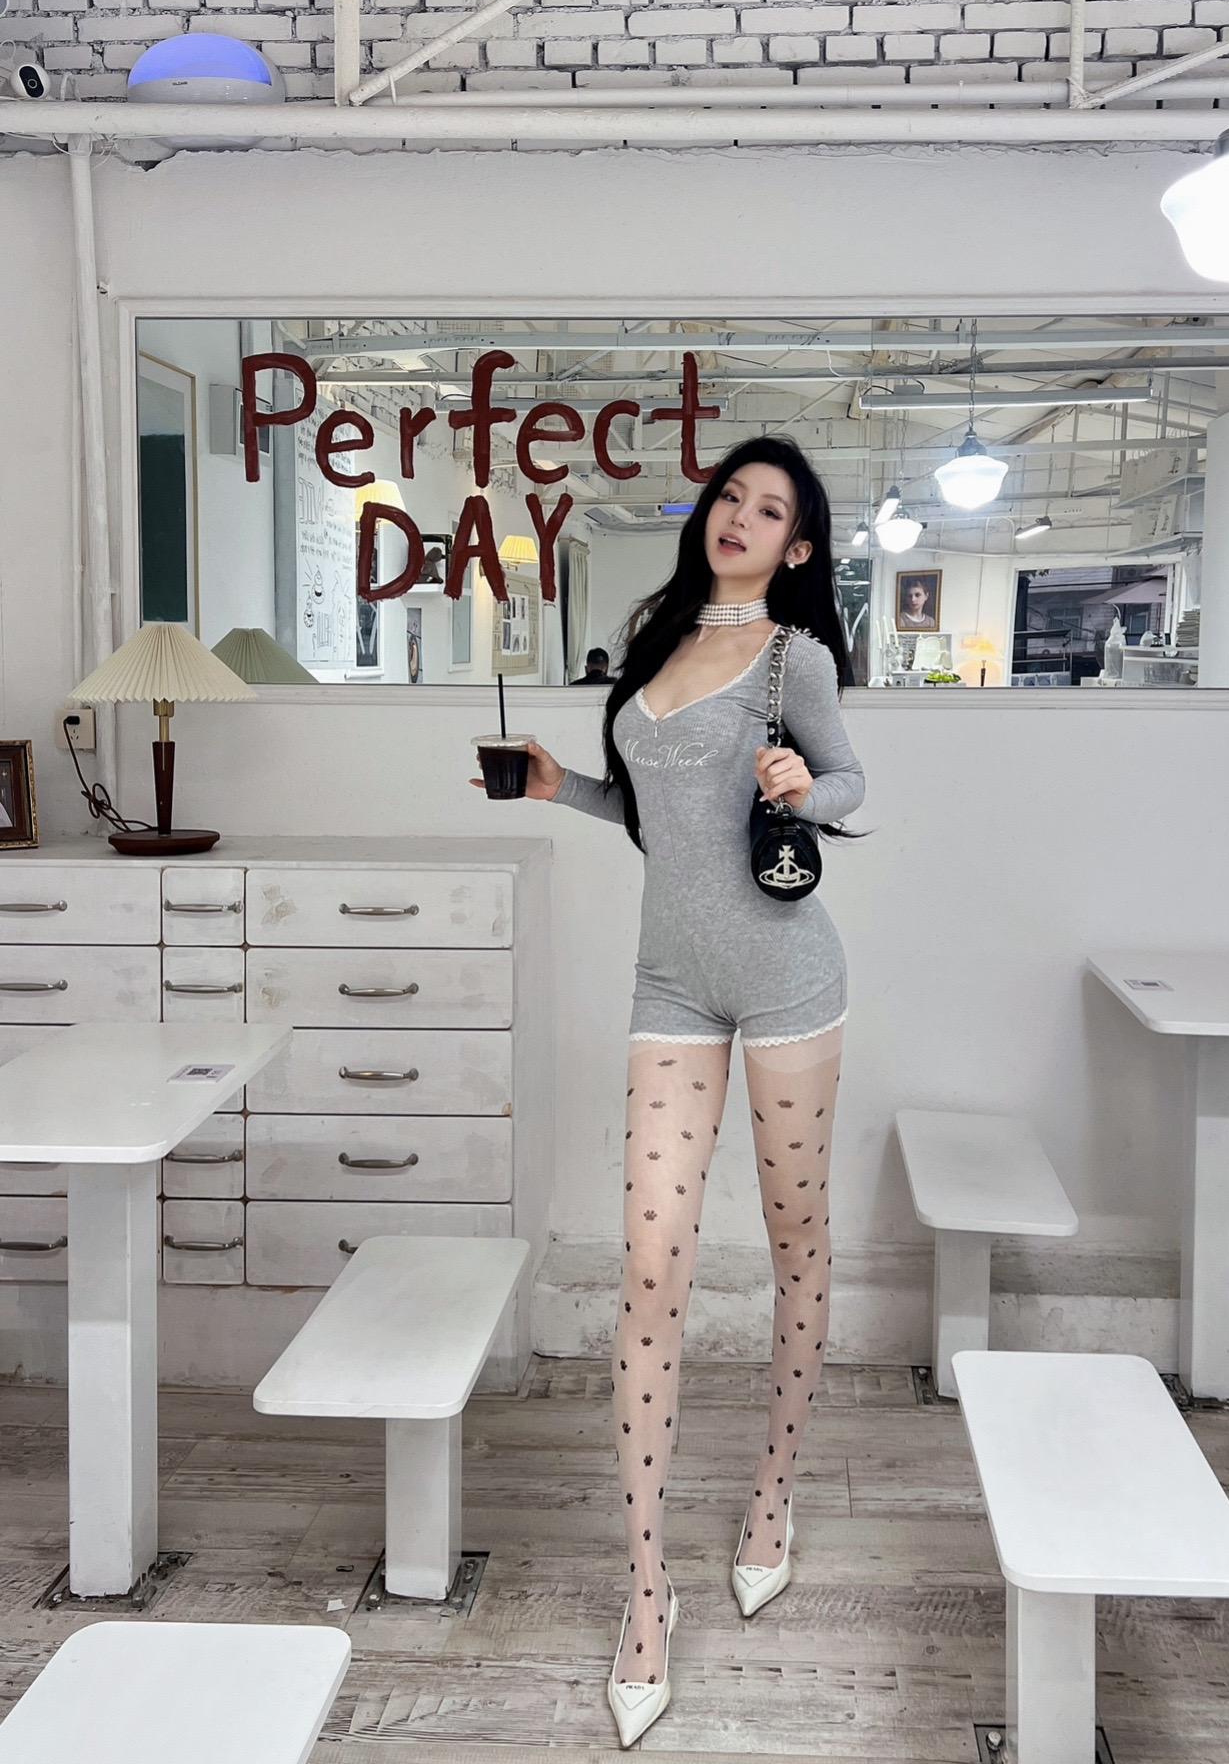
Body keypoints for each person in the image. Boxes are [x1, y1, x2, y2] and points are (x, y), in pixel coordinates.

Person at [471, 434, 867, 1748]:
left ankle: (772, 1498)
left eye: (771, 509)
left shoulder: (794, 660)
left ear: (798, 547)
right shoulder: (657, 642)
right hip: (671, 986)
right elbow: (656, 817)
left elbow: (850, 783)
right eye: (730, 497)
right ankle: (648, 1591)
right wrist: (556, 788)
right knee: (649, 1266)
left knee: (798, 1238)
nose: (740, 517)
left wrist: (808, 783)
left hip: (790, 976)